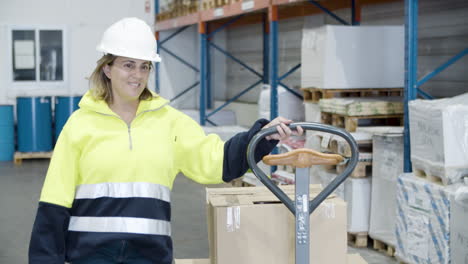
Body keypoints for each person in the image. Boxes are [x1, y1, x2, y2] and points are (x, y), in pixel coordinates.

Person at [28, 17, 303, 264]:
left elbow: (217, 162)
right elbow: (55, 200)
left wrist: (261, 136)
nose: (137, 75)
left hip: (150, 256)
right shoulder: (80, 124)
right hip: (90, 257)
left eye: (144, 66)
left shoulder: (169, 122)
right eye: (127, 65)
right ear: (108, 69)